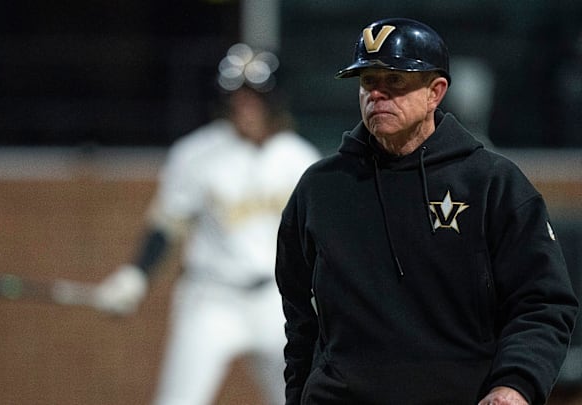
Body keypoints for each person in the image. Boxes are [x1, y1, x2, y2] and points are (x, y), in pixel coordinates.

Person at [274, 17, 579, 405]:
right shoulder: (320, 188)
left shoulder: (492, 183)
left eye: (395, 81)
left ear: (435, 92)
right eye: (368, 81)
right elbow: (300, 318)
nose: (377, 94)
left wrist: (515, 385)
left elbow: (544, 302)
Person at [92, 43, 321, 405]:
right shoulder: (196, 154)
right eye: (238, 96)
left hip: (275, 301)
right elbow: (167, 224)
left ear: (274, 100)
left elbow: (318, 240)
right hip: (212, 298)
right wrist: (136, 275)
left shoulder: (301, 159)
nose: (244, 106)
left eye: (254, 97)